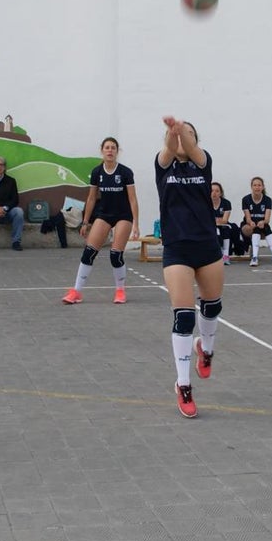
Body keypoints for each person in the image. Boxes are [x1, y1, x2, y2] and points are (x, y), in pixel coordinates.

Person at [156, 117, 224, 418]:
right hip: (177, 248)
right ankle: (183, 384)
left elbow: (194, 150)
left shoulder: (202, 163)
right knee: (184, 317)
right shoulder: (163, 165)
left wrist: (183, 131)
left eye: (189, 134)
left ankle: (206, 350)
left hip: (207, 246)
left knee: (212, 307)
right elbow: (169, 148)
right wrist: (173, 133)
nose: (183, 138)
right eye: (178, 135)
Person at [62, 137, 140, 304]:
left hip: (123, 215)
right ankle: (76, 292)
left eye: (113, 148)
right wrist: (85, 222)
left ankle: (120, 291)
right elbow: (91, 198)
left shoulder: (125, 172)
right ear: (102, 151)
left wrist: (136, 224)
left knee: (115, 255)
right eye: (107, 147)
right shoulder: (97, 172)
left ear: (117, 151)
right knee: (89, 252)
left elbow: (133, 199)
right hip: (104, 215)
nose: (110, 150)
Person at [241, 177, 272, 267]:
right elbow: (247, 218)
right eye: (255, 185)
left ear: (263, 187)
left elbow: (267, 219)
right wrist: (251, 222)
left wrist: (263, 222)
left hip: (262, 224)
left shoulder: (267, 200)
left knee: (267, 229)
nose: (257, 187)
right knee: (255, 229)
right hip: (249, 225)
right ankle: (254, 258)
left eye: (259, 185)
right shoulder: (246, 199)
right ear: (251, 187)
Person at [210, 182, 239, 265]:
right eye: (212, 191)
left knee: (226, 229)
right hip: (210, 227)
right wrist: (217, 220)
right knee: (216, 231)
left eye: (217, 191)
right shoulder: (204, 203)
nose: (214, 193)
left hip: (222, 226)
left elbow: (225, 220)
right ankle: (216, 256)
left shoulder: (226, 203)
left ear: (221, 193)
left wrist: (215, 220)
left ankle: (225, 256)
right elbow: (205, 220)